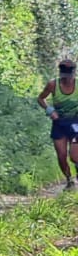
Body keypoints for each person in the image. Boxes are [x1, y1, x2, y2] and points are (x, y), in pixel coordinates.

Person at [36, 58, 78, 190]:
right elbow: (41, 98)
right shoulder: (53, 84)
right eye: (64, 74)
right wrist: (50, 110)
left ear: (74, 73)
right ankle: (69, 180)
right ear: (60, 73)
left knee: (74, 155)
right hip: (59, 123)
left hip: (75, 123)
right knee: (61, 155)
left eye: (69, 74)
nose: (67, 78)